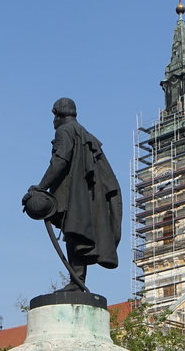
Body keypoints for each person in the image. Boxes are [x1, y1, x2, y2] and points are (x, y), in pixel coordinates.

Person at [23, 98, 122, 291]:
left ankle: (76, 281)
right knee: (76, 234)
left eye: (53, 116)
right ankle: (78, 280)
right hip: (87, 195)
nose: (53, 122)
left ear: (58, 115)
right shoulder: (85, 133)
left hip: (73, 195)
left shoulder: (64, 131)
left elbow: (59, 161)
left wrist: (40, 187)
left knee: (74, 232)